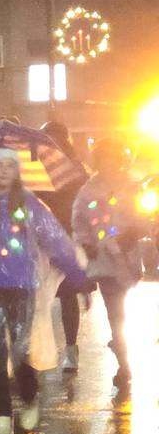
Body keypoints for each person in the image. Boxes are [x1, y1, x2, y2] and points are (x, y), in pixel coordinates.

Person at [0, 148, 87, 434]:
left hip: (22, 287)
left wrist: (77, 274)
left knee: (19, 350)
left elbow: (54, 240)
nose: (3, 171)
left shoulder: (29, 205)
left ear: (16, 172)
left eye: (9, 166)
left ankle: (29, 399)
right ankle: (3, 419)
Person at [72, 138, 146, 393]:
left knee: (120, 309)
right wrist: (87, 243)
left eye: (113, 158)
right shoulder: (88, 190)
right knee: (116, 311)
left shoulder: (130, 186)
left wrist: (133, 233)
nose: (109, 163)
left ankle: (120, 344)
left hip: (127, 257)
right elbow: (79, 221)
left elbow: (144, 216)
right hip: (103, 260)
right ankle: (123, 363)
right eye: (104, 158)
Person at [38, 121, 89, 372]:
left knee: (67, 295)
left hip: (66, 238)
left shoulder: (76, 171)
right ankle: (39, 348)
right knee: (38, 296)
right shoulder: (35, 169)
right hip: (40, 238)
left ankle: (70, 348)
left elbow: (85, 205)